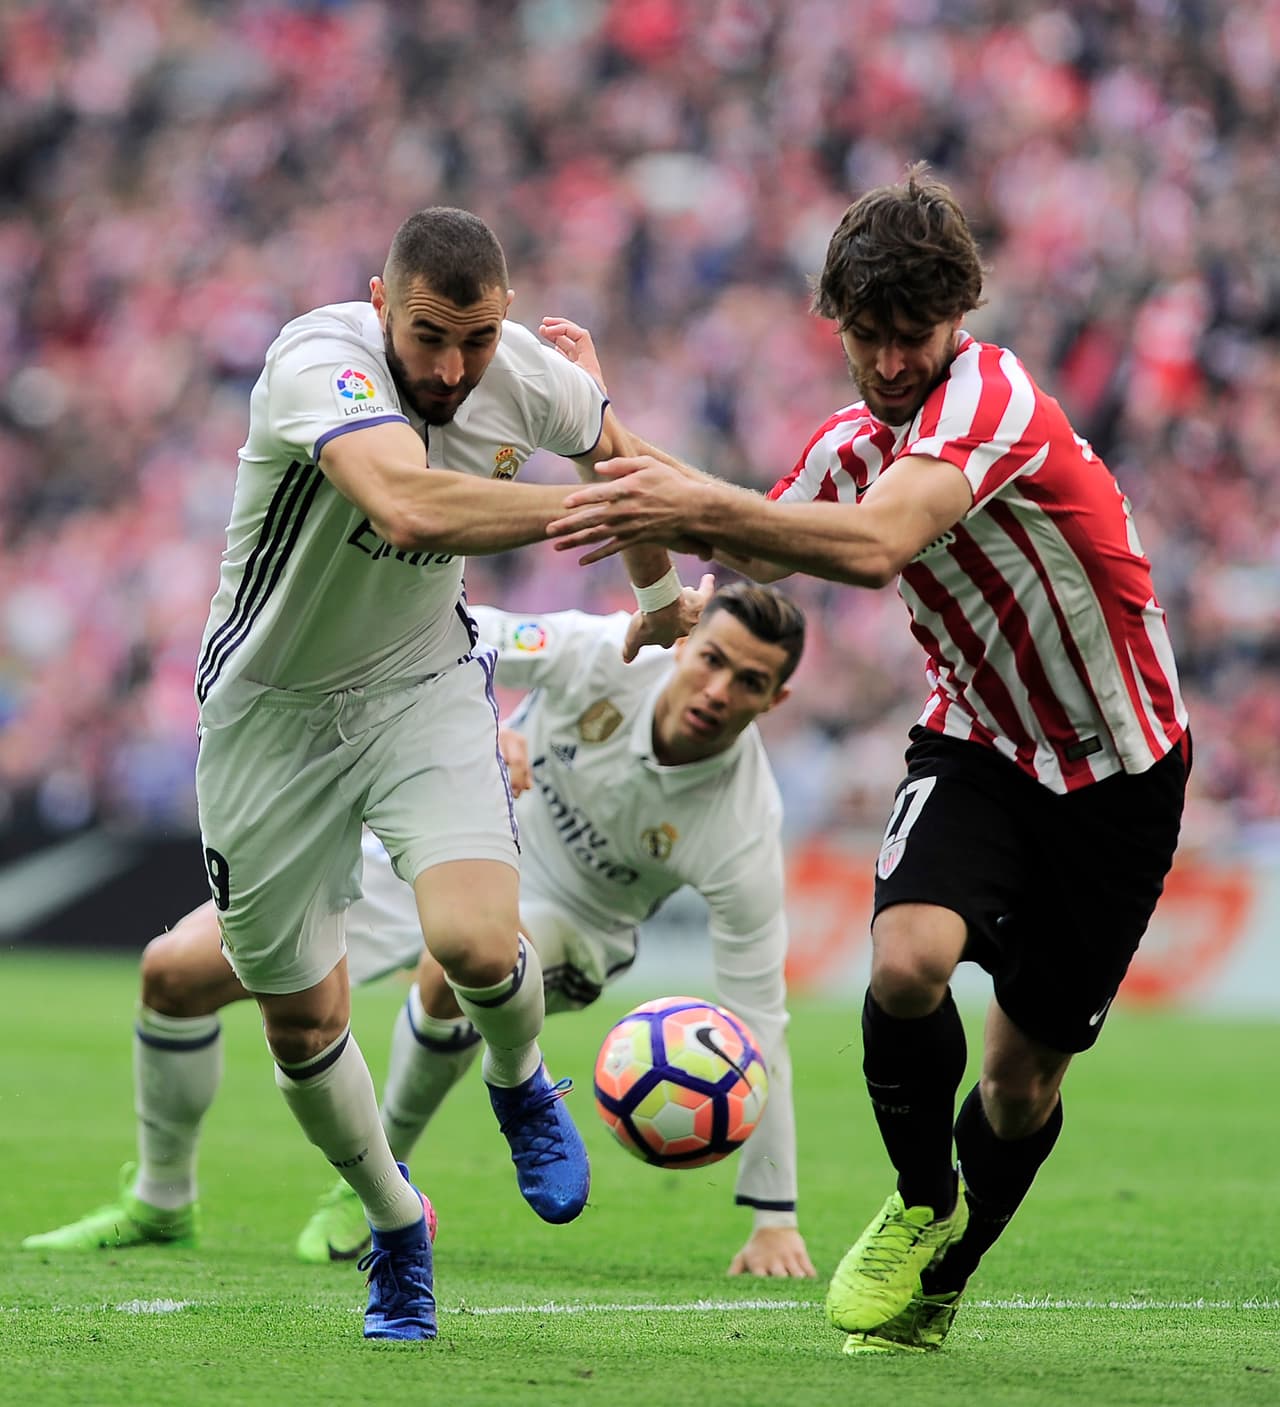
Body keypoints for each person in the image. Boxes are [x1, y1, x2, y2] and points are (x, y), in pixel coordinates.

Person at [546, 165, 1191, 1355]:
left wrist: (681, 492)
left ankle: (949, 1270)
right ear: (834, 324)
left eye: (915, 337)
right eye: (868, 337)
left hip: (1119, 774)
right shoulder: (854, 439)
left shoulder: (987, 397)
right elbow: (740, 542)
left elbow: (871, 545)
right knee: (903, 965)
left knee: (1017, 1086)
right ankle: (915, 1198)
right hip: (978, 744)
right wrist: (594, 427)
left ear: (960, 323)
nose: (893, 363)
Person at [170, 205, 706, 1342]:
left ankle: (520, 1083)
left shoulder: (534, 378)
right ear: (380, 303)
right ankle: (394, 1221)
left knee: (470, 942)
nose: (453, 368)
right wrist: (594, 507)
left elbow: (624, 461)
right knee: (301, 1021)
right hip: (267, 717)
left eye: (476, 338)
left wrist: (659, 605)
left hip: (421, 684)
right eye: (428, 338)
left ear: (503, 318)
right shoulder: (319, 359)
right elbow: (410, 507)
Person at [23, 584, 816, 1280]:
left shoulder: (743, 822)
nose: (717, 688)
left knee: (459, 962)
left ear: (775, 701)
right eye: (709, 658)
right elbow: (465, 628)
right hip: (450, 848)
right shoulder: (604, 650)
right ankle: (163, 1202)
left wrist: (773, 1213)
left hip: (573, 927)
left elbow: (759, 1016)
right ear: (684, 642)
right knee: (172, 972)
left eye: (749, 681)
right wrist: (474, 719)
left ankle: (375, 1178)